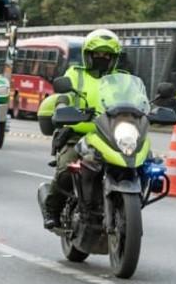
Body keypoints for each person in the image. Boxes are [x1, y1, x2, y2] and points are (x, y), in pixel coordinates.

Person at [38, 28, 124, 229]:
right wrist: (62, 107)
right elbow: (65, 96)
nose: (102, 58)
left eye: (107, 55)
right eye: (97, 54)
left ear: (114, 58)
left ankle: (124, 204)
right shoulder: (76, 74)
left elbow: (137, 102)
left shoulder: (122, 79)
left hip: (112, 136)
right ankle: (52, 208)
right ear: (88, 55)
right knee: (67, 168)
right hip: (78, 135)